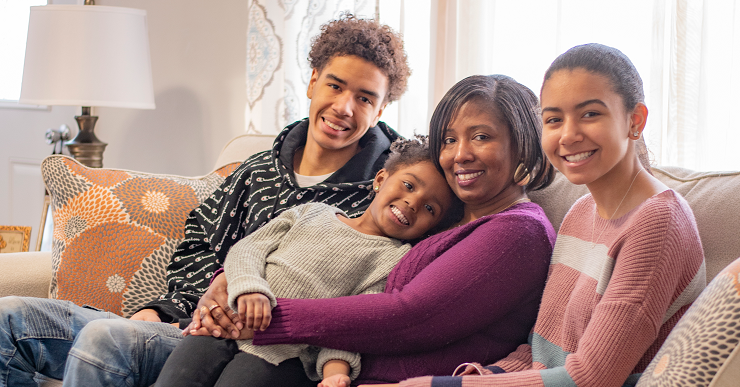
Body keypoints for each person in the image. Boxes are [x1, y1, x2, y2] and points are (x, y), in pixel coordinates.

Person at [0, 14, 410, 387]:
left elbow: (347, 296)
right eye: (335, 86)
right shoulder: (258, 170)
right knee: (9, 318)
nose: (343, 107)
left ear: (382, 107)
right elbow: (198, 241)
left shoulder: (381, 198)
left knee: (106, 338)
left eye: (364, 97)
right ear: (313, 81)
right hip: (180, 324)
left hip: (248, 348)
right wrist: (163, 309)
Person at [186, 74, 558, 385]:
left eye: (481, 137)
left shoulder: (518, 233)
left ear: (523, 144)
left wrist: (262, 318)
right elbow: (331, 261)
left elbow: (412, 316)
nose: (459, 154)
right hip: (305, 356)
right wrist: (233, 282)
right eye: (449, 139)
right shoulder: (452, 217)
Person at [388, 44, 707, 387]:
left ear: (635, 120)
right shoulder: (580, 213)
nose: (568, 135)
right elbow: (540, 352)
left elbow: (591, 378)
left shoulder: (659, 222)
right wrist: (483, 375)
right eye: (554, 120)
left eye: (590, 114)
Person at [155, 138, 457, 387]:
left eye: (430, 207)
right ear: (380, 179)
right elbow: (248, 249)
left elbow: (354, 319)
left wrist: (335, 371)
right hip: (226, 322)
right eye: (408, 185)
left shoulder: (394, 258)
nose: (414, 202)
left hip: (281, 356)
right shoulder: (311, 212)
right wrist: (250, 288)